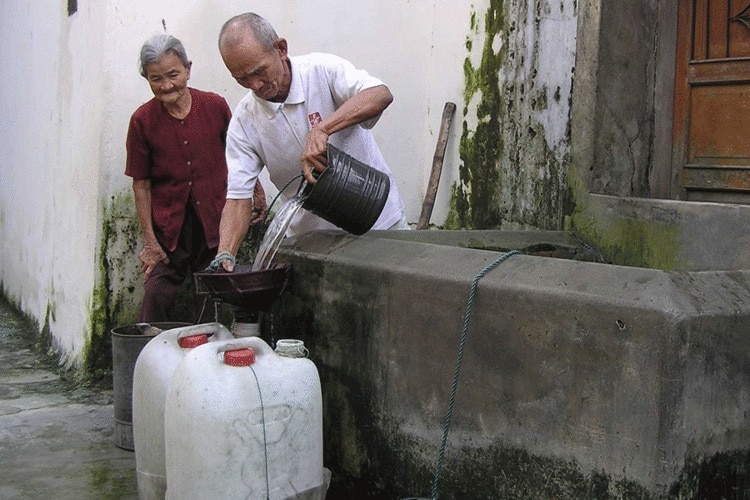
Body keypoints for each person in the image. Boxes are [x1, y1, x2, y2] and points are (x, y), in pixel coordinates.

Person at [213, 12, 408, 272]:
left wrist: (322, 130)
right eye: (242, 79)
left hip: (379, 222)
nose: (255, 84)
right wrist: (226, 252)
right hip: (314, 246)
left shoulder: (321, 71)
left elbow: (379, 94)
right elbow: (238, 197)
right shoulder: (244, 121)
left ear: (280, 49)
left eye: (260, 71)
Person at [125, 34, 267, 322]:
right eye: (155, 79)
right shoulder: (142, 121)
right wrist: (151, 243)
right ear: (147, 79)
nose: (166, 85)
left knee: (209, 295)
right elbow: (141, 184)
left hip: (214, 219)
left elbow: (240, 155)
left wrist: (257, 191)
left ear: (188, 69)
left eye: (173, 75)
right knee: (156, 294)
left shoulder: (215, 106)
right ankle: (147, 356)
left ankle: (204, 359)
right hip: (170, 228)